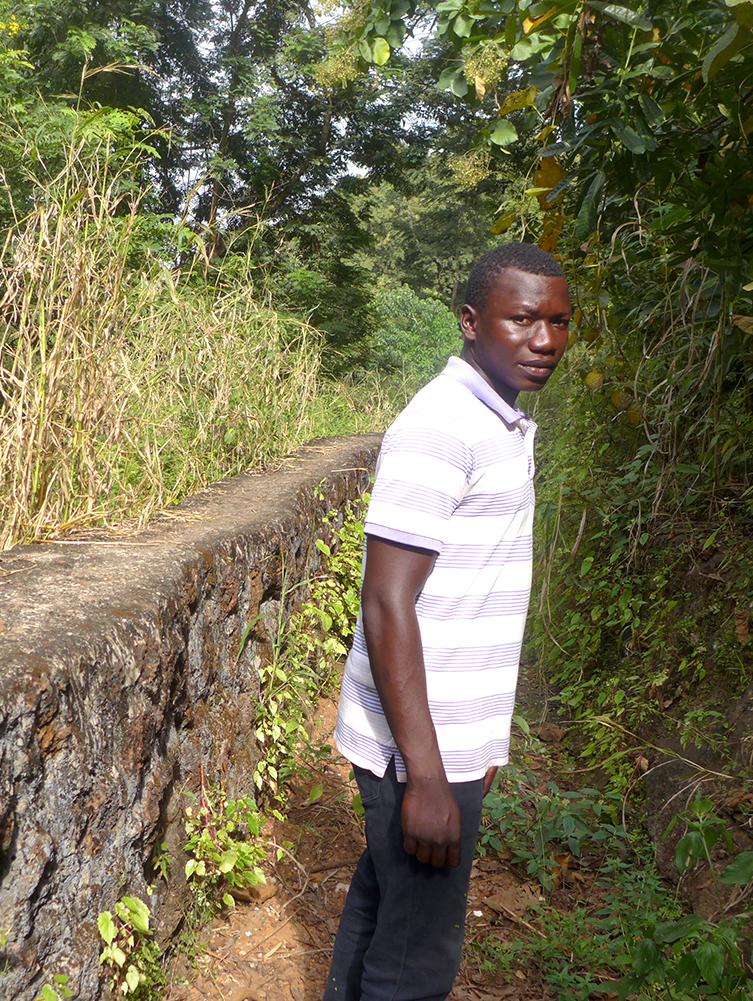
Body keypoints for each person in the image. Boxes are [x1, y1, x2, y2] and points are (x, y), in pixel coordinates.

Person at [323, 242, 571, 1001]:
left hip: (446, 737)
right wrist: (427, 777)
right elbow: (387, 600)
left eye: (560, 322)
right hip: (420, 750)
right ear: (470, 321)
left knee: (385, 910)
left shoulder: (497, 421)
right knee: (419, 960)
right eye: (522, 319)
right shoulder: (442, 425)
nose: (545, 341)